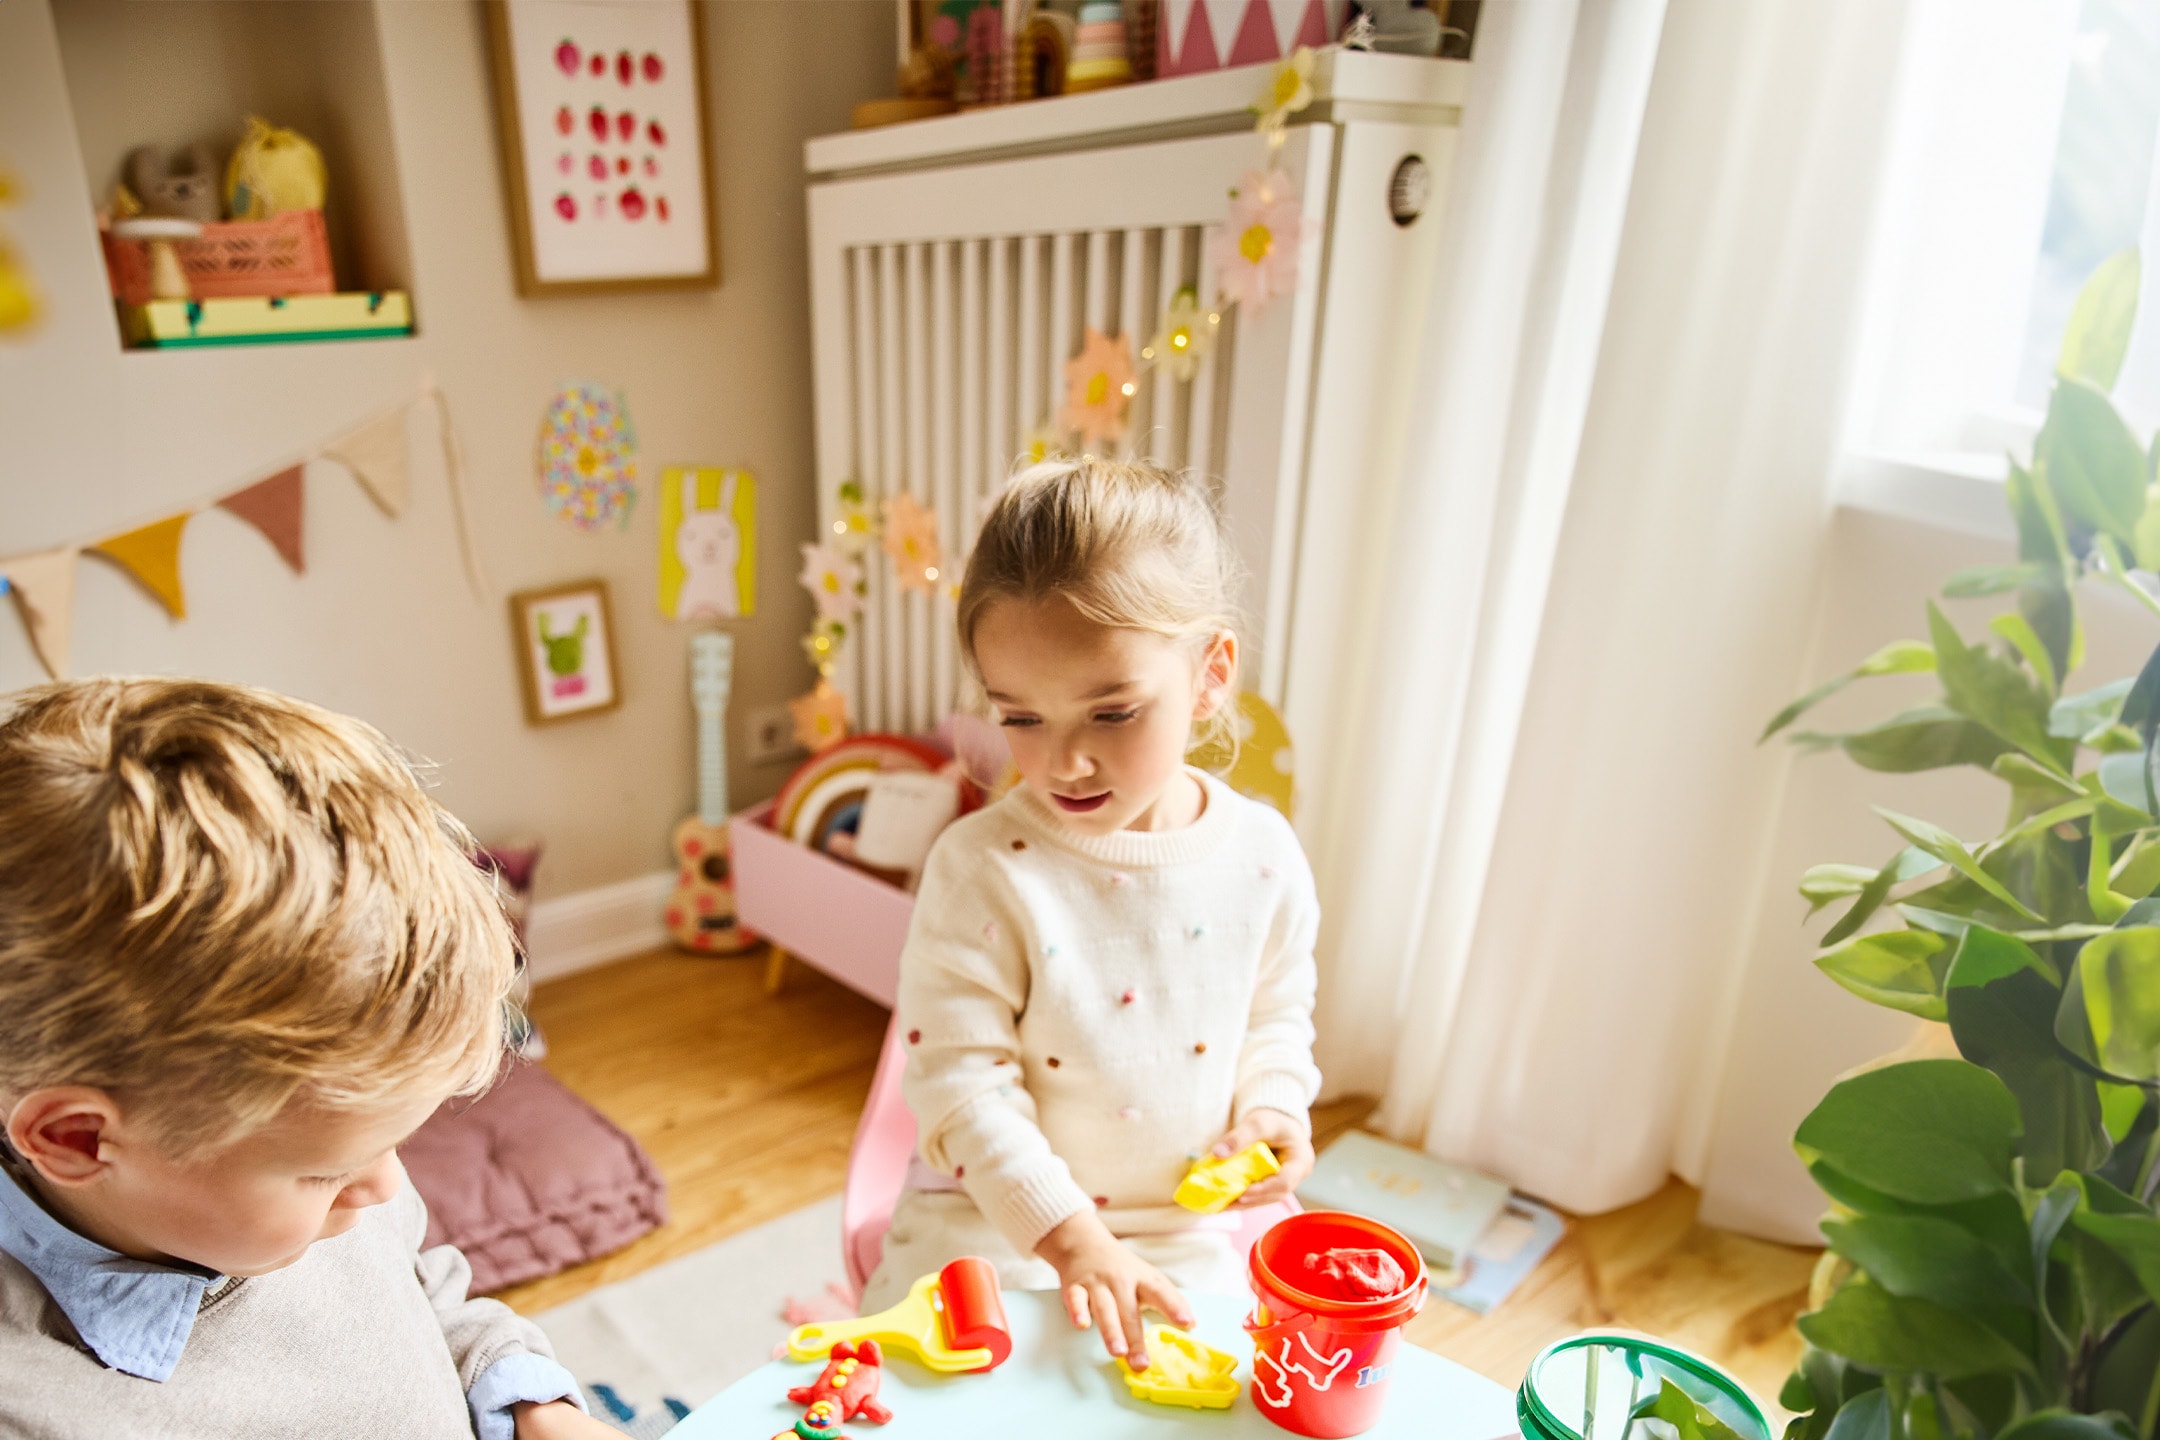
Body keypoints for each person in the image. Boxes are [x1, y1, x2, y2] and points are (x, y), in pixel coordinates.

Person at [0, 678, 616, 1439]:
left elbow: (422, 1295)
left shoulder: (328, 1188)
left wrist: (530, 1408)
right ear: (76, 1140)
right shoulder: (32, 1407)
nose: (386, 1186)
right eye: (325, 1171)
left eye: (389, 1141)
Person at [860, 458, 1323, 1369]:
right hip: (995, 1222)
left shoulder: (1263, 857)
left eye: (1111, 713)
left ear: (1210, 674)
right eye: (1020, 719)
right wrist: (1070, 1240)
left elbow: (1275, 1019)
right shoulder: (979, 869)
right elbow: (964, 1089)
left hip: (1182, 1230)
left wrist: (1274, 1111)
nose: (1063, 762)